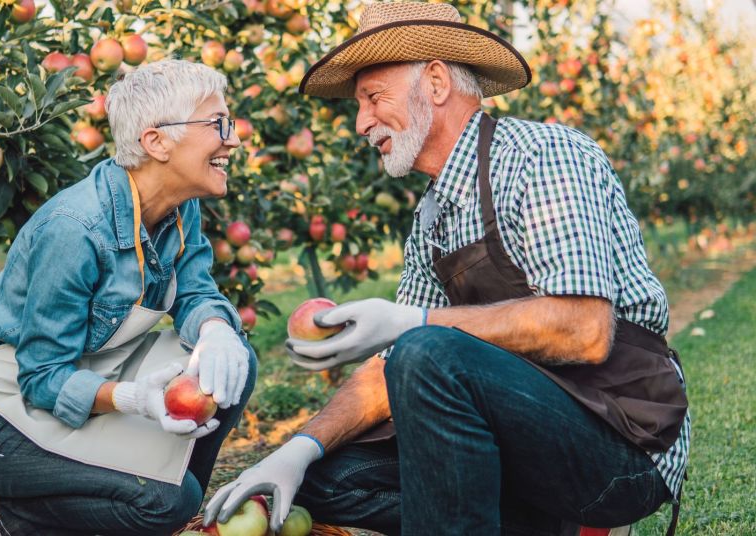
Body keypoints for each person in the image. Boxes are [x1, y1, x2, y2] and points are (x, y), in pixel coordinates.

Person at [204, 2, 690, 535]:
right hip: (518, 438)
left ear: (435, 82)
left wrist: (412, 326)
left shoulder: (542, 156)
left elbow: (585, 329)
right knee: (321, 480)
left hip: (619, 440)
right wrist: (298, 449)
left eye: (373, 97)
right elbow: (390, 368)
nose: (362, 121)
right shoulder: (431, 219)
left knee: (426, 351)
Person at [0, 59, 256, 535]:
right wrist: (132, 399)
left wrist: (215, 329)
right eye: (218, 125)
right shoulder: (75, 229)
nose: (232, 139)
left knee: (232, 366)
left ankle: (156, 513)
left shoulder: (178, 206)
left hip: (88, 368)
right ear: (156, 142)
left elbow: (194, 290)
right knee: (165, 500)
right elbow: (42, 377)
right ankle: (1, 513)